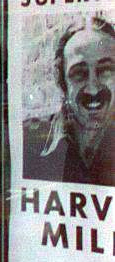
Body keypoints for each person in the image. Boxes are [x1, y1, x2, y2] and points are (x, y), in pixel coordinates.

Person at [22, 16, 114, 186]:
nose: (92, 89)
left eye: (105, 70)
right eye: (79, 73)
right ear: (62, 82)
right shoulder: (31, 142)